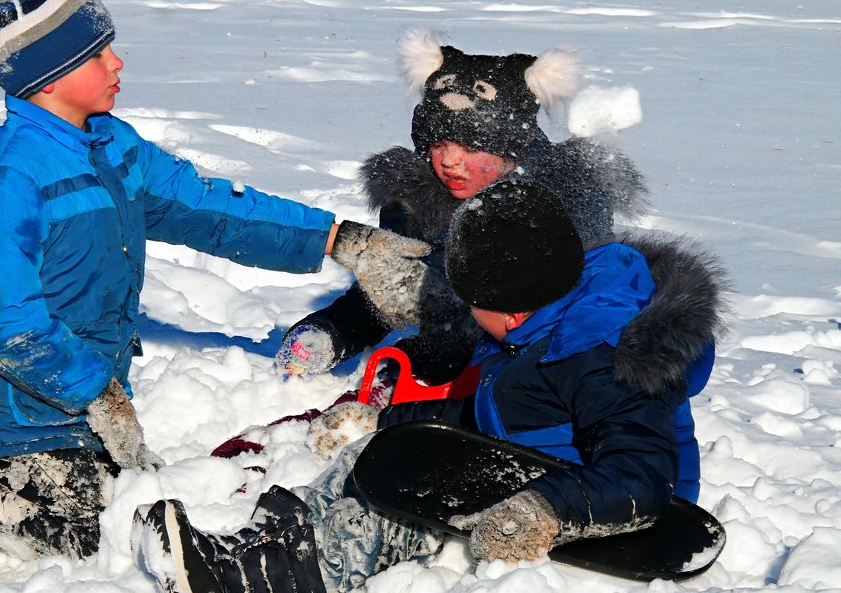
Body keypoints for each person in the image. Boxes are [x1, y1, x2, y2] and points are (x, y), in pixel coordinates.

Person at [0, 0, 428, 561]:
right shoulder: (6, 182)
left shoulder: (110, 147)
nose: (116, 61)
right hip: (9, 413)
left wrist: (341, 240)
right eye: (97, 54)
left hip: (80, 403)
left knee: (127, 515)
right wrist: (96, 393)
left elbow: (207, 209)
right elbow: (3, 323)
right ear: (50, 77)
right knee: (89, 541)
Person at [133, 178, 728, 593]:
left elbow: (643, 477)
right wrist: (389, 424)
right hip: (536, 469)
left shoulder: (604, 359)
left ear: (512, 307)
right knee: (390, 458)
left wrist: (546, 512)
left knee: (400, 512)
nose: (469, 317)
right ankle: (278, 539)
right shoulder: (548, 324)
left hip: (602, 517)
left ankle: (243, 591)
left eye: (474, 304)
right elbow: (509, 412)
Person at [275, 28, 649, 387]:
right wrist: (333, 330)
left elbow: (549, 325)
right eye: (438, 146)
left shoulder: (557, 213)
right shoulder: (421, 202)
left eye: (470, 148)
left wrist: (435, 359)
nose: (450, 162)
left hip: (529, 373)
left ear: (510, 152)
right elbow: (402, 285)